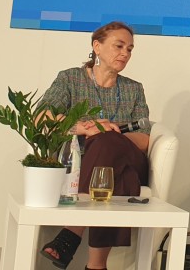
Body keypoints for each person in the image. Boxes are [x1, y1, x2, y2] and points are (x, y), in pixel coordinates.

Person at [39, 21, 152, 270]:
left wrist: (112, 133)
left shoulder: (134, 89)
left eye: (130, 49)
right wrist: (84, 127)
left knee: (108, 140)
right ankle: (96, 266)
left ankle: (71, 232)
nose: (125, 53)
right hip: (85, 161)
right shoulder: (70, 79)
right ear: (97, 46)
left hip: (130, 156)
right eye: (119, 46)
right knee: (121, 176)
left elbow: (144, 140)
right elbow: (41, 117)